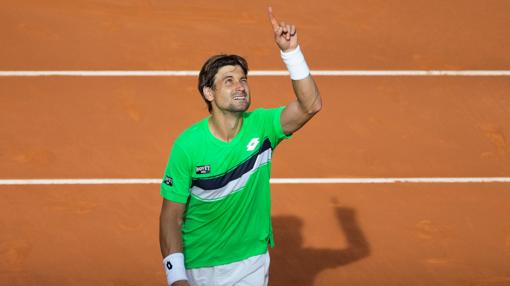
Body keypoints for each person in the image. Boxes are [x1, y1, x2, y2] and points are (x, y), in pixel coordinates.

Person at [159, 7, 322, 286]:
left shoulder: (263, 126)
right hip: (199, 265)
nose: (240, 86)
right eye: (229, 81)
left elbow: (311, 105)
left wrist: (291, 53)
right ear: (208, 93)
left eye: (243, 79)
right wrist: (177, 278)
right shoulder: (187, 146)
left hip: (250, 263)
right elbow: (170, 217)